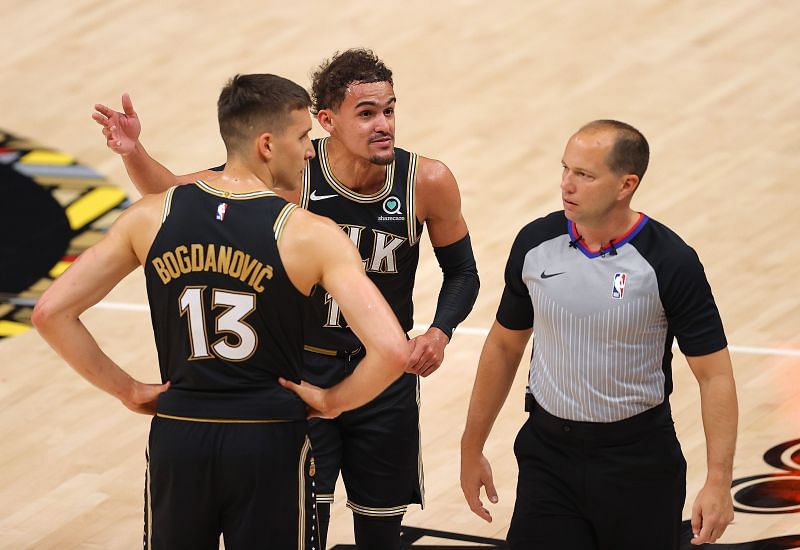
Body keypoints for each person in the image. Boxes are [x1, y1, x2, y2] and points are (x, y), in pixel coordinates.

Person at [92, 48, 480, 550]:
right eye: (366, 113)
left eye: (389, 109)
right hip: (303, 375)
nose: (383, 124)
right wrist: (132, 152)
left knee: (382, 527)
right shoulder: (291, 173)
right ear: (325, 121)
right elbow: (179, 198)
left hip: (383, 379)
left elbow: (464, 273)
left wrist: (439, 331)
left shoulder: (426, 181)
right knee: (303, 526)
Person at [33, 73, 410, 550]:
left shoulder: (151, 216)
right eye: (303, 139)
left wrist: (126, 389)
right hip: (268, 437)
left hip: (179, 434)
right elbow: (394, 351)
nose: (312, 152)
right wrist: (334, 401)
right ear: (268, 145)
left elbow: (51, 313)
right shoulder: (308, 233)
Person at [460, 120, 738, 549]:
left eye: (584, 175)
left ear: (626, 184)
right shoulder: (536, 244)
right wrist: (470, 444)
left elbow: (714, 375)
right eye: (566, 169)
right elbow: (504, 344)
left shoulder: (670, 262)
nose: (567, 184)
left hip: (638, 464)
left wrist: (719, 481)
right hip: (548, 456)